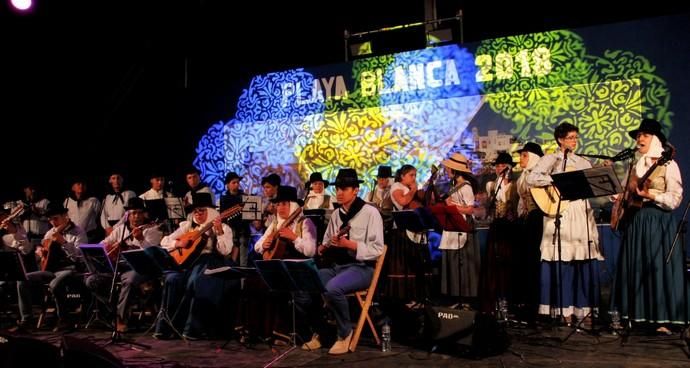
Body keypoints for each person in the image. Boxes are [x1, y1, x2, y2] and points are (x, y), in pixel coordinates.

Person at [296, 168, 384, 355]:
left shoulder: (370, 212)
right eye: (338, 189)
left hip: (362, 268)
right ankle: (322, 332)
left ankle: (345, 333)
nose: (340, 193)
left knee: (333, 288)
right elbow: (329, 241)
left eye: (345, 189)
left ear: (355, 190)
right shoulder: (336, 214)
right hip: (338, 266)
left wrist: (349, 244)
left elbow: (377, 250)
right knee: (305, 285)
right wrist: (325, 246)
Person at [611, 119, 687, 333]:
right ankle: (636, 316)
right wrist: (618, 197)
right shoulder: (636, 165)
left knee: (656, 268)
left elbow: (675, 198)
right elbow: (628, 194)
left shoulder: (668, 164)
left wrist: (650, 195)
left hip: (657, 221)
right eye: (638, 135)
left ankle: (661, 319)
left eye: (644, 135)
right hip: (637, 221)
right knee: (637, 266)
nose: (639, 139)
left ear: (655, 138)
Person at [526, 122, 602, 326]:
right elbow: (532, 178)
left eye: (576, 138)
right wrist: (555, 179)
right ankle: (562, 309)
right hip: (559, 212)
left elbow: (593, 185)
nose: (574, 141)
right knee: (561, 261)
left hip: (580, 212)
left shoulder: (582, 161)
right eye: (570, 138)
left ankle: (582, 310)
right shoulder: (550, 159)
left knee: (581, 260)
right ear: (560, 139)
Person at [155, 193, 235, 340]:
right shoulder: (187, 226)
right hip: (189, 263)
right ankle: (167, 327)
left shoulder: (223, 227)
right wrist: (178, 244)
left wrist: (219, 232)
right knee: (172, 279)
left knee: (196, 281)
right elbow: (164, 241)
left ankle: (192, 328)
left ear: (210, 211)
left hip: (212, 262)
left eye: (202, 210)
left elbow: (225, 251)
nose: (198, 214)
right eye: (196, 211)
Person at [84, 197, 163, 334]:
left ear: (144, 214)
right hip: (118, 268)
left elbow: (152, 254)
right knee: (91, 280)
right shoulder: (120, 230)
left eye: (139, 213)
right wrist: (108, 246)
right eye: (133, 213)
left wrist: (141, 239)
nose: (136, 216)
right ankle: (115, 310)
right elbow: (103, 243)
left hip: (140, 269)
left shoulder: (152, 229)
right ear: (128, 215)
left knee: (130, 280)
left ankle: (121, 319)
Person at [252, 185, 317, 345]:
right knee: (254, 284)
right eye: (278, 204)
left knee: (280, 289)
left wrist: (294, 237)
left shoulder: (305, 223)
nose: (280, 207)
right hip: (279, 270)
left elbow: (310, 251)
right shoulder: (275, 225)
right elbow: (257, 246)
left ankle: (284, 334)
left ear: (293, 206)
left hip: (299, 272)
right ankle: (261, 332)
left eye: (284, 204)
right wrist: (265, 245)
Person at [13, 202, 88, 332]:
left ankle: (64, 320)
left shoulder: (78, 232)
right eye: (50, 219)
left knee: (55, 284)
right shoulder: (50, 232)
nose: (53, 222)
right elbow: (40, 255)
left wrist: (63, 242)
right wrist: (40, 252)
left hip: (71, 269)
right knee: (22, 279)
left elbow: (79, 257)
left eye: (56, 218)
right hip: (51, 270)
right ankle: (27, 320)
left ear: (65, 216)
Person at [384, 164, 432, 304]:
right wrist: (413, 190)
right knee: (406, 266)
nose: (414, 178)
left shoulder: (410, 188)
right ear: (402, 176)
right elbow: (403, 201)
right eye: (411, 175)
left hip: (416, 229)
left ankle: (420, 296)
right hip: (402, 231)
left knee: (418, 264)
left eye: (415, 175)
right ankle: (405, 298)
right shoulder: (396, 187)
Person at [438, 153, 480, 308]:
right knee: (453, 261)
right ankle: (454, 297)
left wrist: (452, 206)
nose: (447, 170)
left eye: (449, 168)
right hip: (452, 225)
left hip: (462, 225)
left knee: (463, 262)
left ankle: (465, 299)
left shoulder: (466, 186)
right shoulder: (453, 185)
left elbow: (470, 209)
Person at [480, 152, 519, 316]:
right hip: (496, 227)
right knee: (493, 265)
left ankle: (508, 301)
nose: (500, 169)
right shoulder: (491, 185)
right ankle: (493, 301)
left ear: (509, 168)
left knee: (507, 264)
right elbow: (487, 207)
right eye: (497, 166)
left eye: (503, 166)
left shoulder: (515, 185)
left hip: (510, 228)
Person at [514, 142, 545, 322]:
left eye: (524, 155)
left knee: (535, 260)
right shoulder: (522, 177)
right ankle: (526, 302)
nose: (521, 159)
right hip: (526, 221)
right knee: (525, 261)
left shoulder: (538, 175)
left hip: (538, 219)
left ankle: (537, 303)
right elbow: (520, 202)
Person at [219, 171, 250, 265]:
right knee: (231, 256)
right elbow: (223, 216)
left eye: (238, 182)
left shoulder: (244, 196)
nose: (237, 184)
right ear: (227, 185)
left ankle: (243, 277)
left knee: (243, 256)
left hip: (243, 229)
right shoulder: (224, 198)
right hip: (231, 229)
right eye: (233, 182)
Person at [20, 184, 51, 249]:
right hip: (26, 237)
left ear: (33, 190)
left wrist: (37, 212)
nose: (24, 190)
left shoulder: (45, 202)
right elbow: (16, 220)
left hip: (40, 237)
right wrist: (23, 214)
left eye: (26, 188)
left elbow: (50, 219)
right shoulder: (22, 203)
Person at [366, 166, 394, 236]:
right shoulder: (370, 194)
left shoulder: (393, 192)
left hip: (390, 229)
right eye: (379, 178)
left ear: (389, 179)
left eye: (384, 178)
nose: (381, 180)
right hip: (374, 228)